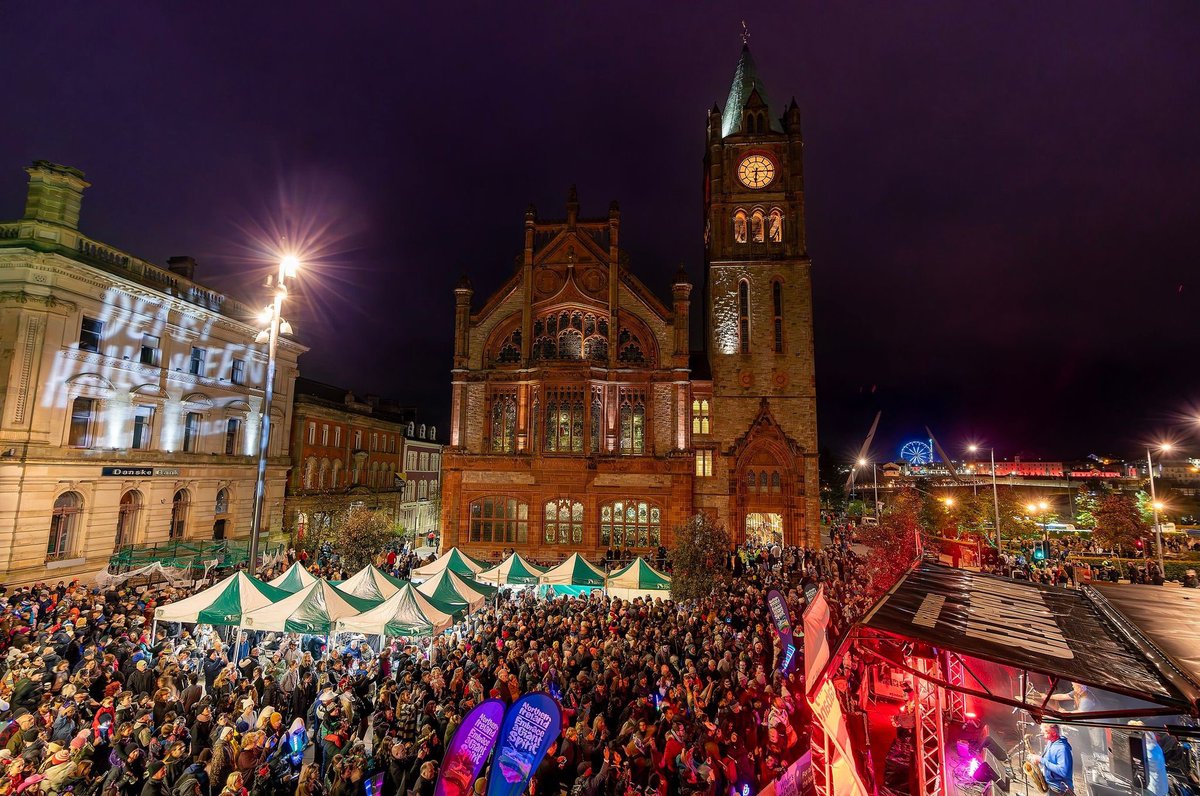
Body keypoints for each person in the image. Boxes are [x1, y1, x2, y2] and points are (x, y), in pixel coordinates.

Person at [1028, 723, 1073, 795]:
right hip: (1052, 787)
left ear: (1054, 732)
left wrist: (1041, 760)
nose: (1042, 733)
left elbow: (1064, 772)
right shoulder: (1050, 742)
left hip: (1060, 791)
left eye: (1045, 731)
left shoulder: (1062, 749)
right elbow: (1049, 761)